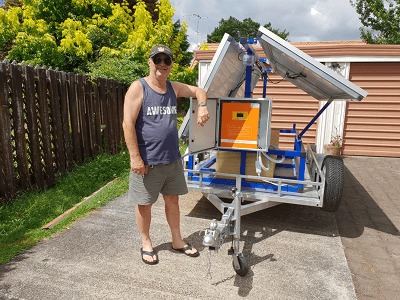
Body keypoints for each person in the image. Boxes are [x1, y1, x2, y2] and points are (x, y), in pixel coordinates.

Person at [123, 44, 210, 265]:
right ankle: (146, 243)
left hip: (172, 159)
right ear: (150, 62)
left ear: (171, 65)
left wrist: (202, 106)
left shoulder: (173, 87)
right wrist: (135, 157)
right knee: (145, 204)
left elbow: (199, 90)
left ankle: (177, 240)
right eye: (158, 59)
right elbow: (127, 124)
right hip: (148, 161)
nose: (162, 64)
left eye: (167, 60)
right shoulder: (138, 87)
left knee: (173, 200)